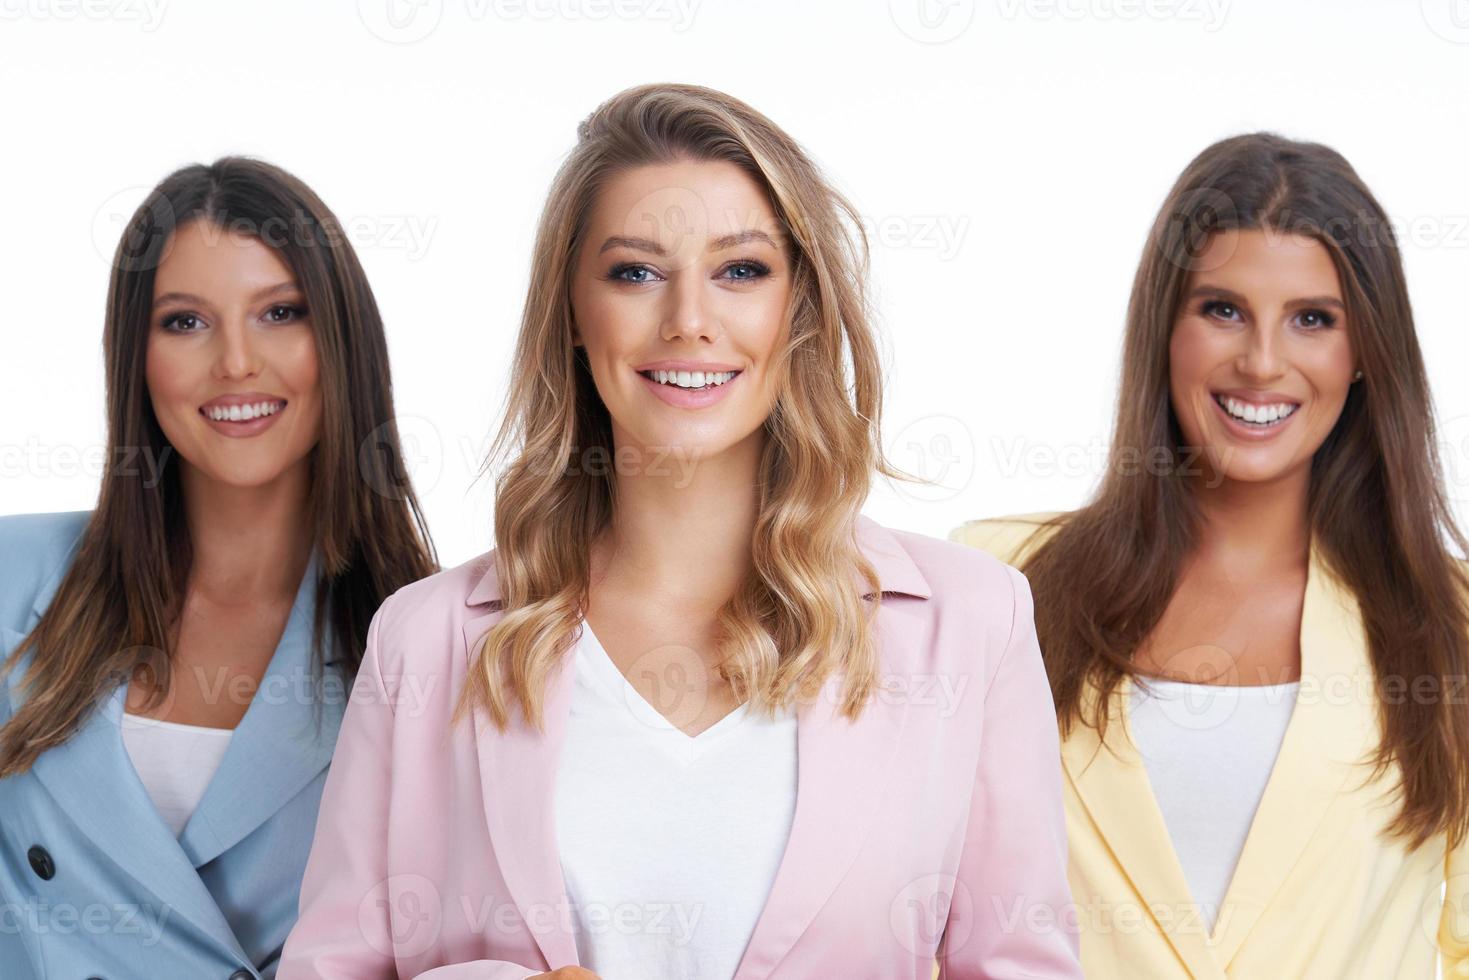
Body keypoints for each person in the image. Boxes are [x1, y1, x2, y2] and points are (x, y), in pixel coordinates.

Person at [278, 83, 1082, 980]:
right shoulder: (426, 641)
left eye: (741, 270)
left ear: (799, 310)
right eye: (634, 272)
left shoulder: (971, 623)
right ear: (574, 316)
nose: (689, 320)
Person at [953, 133, 1469, 978]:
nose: (1261, 362)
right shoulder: (1001, 583)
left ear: (1365, 350)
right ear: (1164, 328)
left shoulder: (1445, 621)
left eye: (1312, 319)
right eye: (1221, 309)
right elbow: (925, 909)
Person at [0, 157, 437, 980]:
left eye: (280, 312)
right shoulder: (11, 575)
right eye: (185, 322)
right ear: (137, 357)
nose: (235, 362)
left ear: (340, 340)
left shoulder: (426, 639)